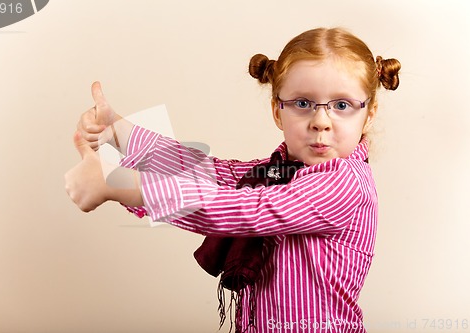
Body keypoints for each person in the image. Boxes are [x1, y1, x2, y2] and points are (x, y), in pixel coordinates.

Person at [65, 27, 401, 333]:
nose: (320, 121)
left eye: (342, 105)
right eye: (302, 103)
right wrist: (119, 131)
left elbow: (246, 210)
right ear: (277, 111)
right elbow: (209, 172)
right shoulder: (278, 171)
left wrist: (121, 185)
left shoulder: (343, 183)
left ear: (367, 114)